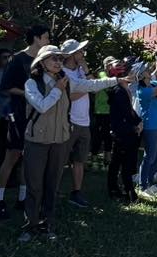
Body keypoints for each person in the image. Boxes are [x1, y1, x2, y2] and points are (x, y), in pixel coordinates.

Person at [0, 25, 51, 220]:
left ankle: (23, 197)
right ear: (36, 38)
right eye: (46, 37)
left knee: (30, 156)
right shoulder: (17, 59)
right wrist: (28, 94)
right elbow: (6, 87)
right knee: (13, 154)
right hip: (18, 113)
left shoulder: (43, 61)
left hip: (37, 115)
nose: (48, 41)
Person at [20, 45, 72, 241]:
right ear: (41, 63)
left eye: (61, 59)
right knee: (34, 185)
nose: (58, 62)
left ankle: (47, 224)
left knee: (52, 184)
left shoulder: (65, 82)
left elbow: (89, 85)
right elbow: (42, 106)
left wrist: (116, 80)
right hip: (37, 141)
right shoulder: (32, 83)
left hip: (59, 141)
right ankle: (30, 226)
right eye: (53, 58)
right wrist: (57, 90)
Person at [60, 39, 120, 208]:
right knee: (60, 160)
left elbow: (94, 86)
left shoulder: (81, 70)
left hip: (84, 121)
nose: (83, 53)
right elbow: (67, 97)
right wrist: (87, 87)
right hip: (68, 121)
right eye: (80, 51)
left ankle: (76, 192)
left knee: (79, 160)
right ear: (71, 54)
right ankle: (52, 190)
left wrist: (86, 72)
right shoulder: (61, 72)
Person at [134, 60, 157, 196]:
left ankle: (150, 184)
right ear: (141, 76)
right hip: (151, 127)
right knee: (149, 157)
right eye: (145, 70)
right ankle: (143, 186)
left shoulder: (152, 84)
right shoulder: (143, 91)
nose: (148, 70)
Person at [105, 59, 141, 201]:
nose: (135, 74)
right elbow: (127, 112)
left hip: (127, 130)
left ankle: (124, 189)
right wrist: (137, 123)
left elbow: (130, 111)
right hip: (122, 132)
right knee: (120, 162)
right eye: (132, 72)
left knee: (123, 161)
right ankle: (121, 190)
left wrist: (138, 121)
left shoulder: (125, 89)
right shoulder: (119, 91)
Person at [89, 61, 113, 167]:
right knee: (97, 135)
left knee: (108, 135)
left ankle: (107, 157)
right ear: (106, 65)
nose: (111, 66)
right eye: (109, 64)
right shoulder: (102, 73)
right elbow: (107, 84)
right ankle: (94, 158)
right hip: (99, 111)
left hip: (109, 111)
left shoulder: (114, 76)